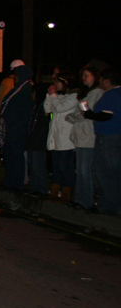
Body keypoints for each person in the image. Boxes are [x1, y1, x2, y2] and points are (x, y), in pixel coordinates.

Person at [83, 69, 121, 215]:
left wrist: (88, 114)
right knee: (116, 172)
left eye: (100, 79)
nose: (99, 82)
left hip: (108, 137)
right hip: (117, 136)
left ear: (107, 81)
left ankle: (108, 205)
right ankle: (115, 205)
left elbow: (105, 116)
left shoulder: (111, 95)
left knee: (106, 172)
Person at [67, 67, 103, 209]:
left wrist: (74, 116)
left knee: (84, 169)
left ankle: (86, 200)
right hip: (81, 136)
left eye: (87, 75)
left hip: (88, 136)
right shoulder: (88, 94)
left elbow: (84, 113)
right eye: (82, 75)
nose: (84, 78)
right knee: (80, 170)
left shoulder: (97, 93)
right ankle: (80, 198)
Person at [44, 71, 79, 203]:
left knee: (66, 167)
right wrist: (49, 96)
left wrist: (53, 95)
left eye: (57, 82)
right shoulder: (59, 97)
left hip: (66, 140)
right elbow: (47, 110)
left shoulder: (74, 97)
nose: (55, 85)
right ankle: (54, 191)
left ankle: (66, 192)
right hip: (55, 138)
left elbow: (59, 108)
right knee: (57, 167)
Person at [0, 65, 35, 191]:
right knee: (9, 156)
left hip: (18, 129)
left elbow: (23, 111)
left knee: (16, 156)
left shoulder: (25, 91)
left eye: (17, 75)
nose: (15, 77)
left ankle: (16, 182)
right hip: (12, 128)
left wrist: (13, 122)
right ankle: (10, 181)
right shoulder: (17, 90)